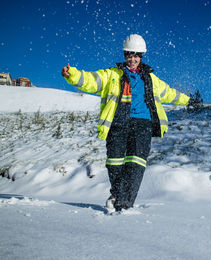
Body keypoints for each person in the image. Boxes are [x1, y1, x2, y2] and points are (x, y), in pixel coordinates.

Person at [61, 34, 191, 211]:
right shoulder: (112, 75)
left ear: (141, 56)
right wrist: (73, 75)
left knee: (136, 165)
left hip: (143, 124)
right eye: (129, 55)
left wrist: (188, 101)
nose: (132, 59)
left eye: (136, 55)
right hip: (118, 122)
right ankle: (118, 195)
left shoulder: (151, 79)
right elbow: (92, 80)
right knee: (114, 162)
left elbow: (169, 93)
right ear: (125, 56)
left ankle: (123, 204)